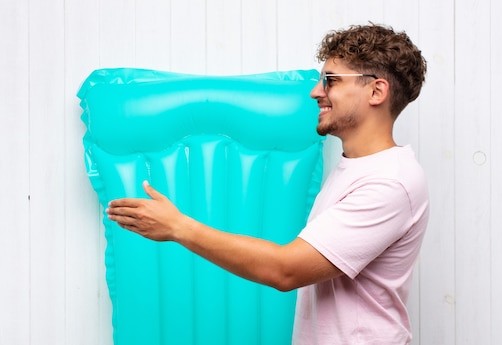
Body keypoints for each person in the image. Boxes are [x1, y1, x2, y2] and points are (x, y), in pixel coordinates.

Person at [106, 23, 429, 345]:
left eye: (330, 80)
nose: (316, 92)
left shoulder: (389, 182)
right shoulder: (359, 168)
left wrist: (178, 227)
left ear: (376, 91)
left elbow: (286, 271)